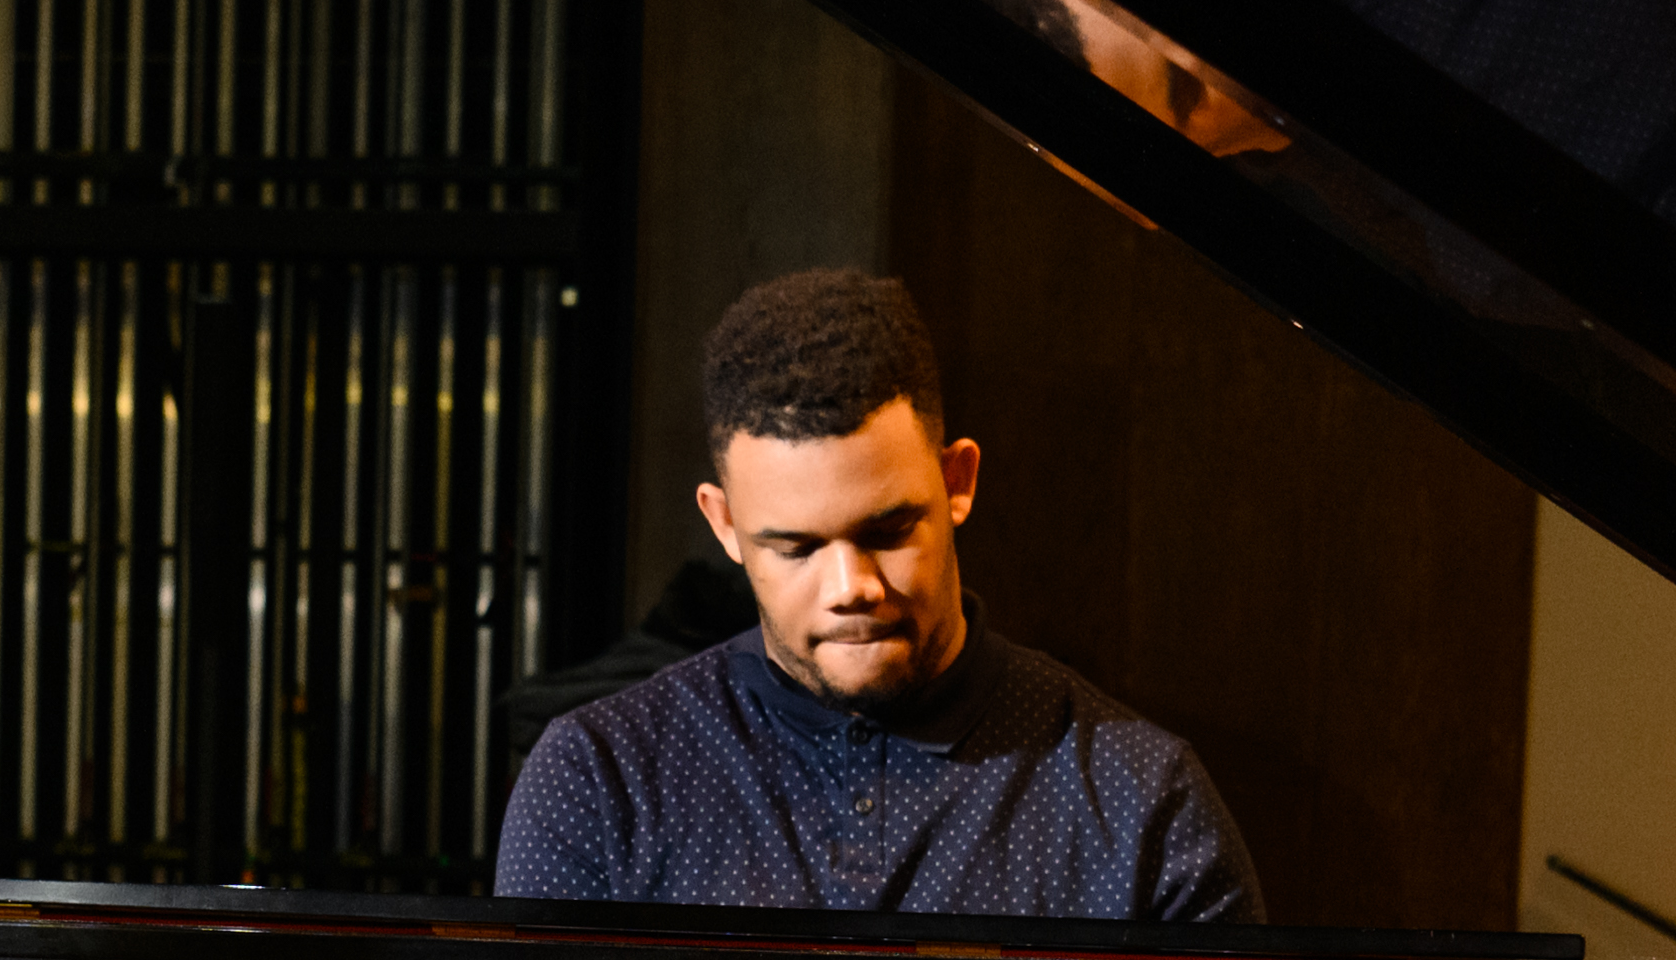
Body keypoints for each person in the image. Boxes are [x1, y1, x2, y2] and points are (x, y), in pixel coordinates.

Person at [492, 270, 1257, 923]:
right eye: (795, 548)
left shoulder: (1143, 800)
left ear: (957, 482)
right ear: (724, 525)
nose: (851, 587)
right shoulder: (598, 779)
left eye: (888, 532)